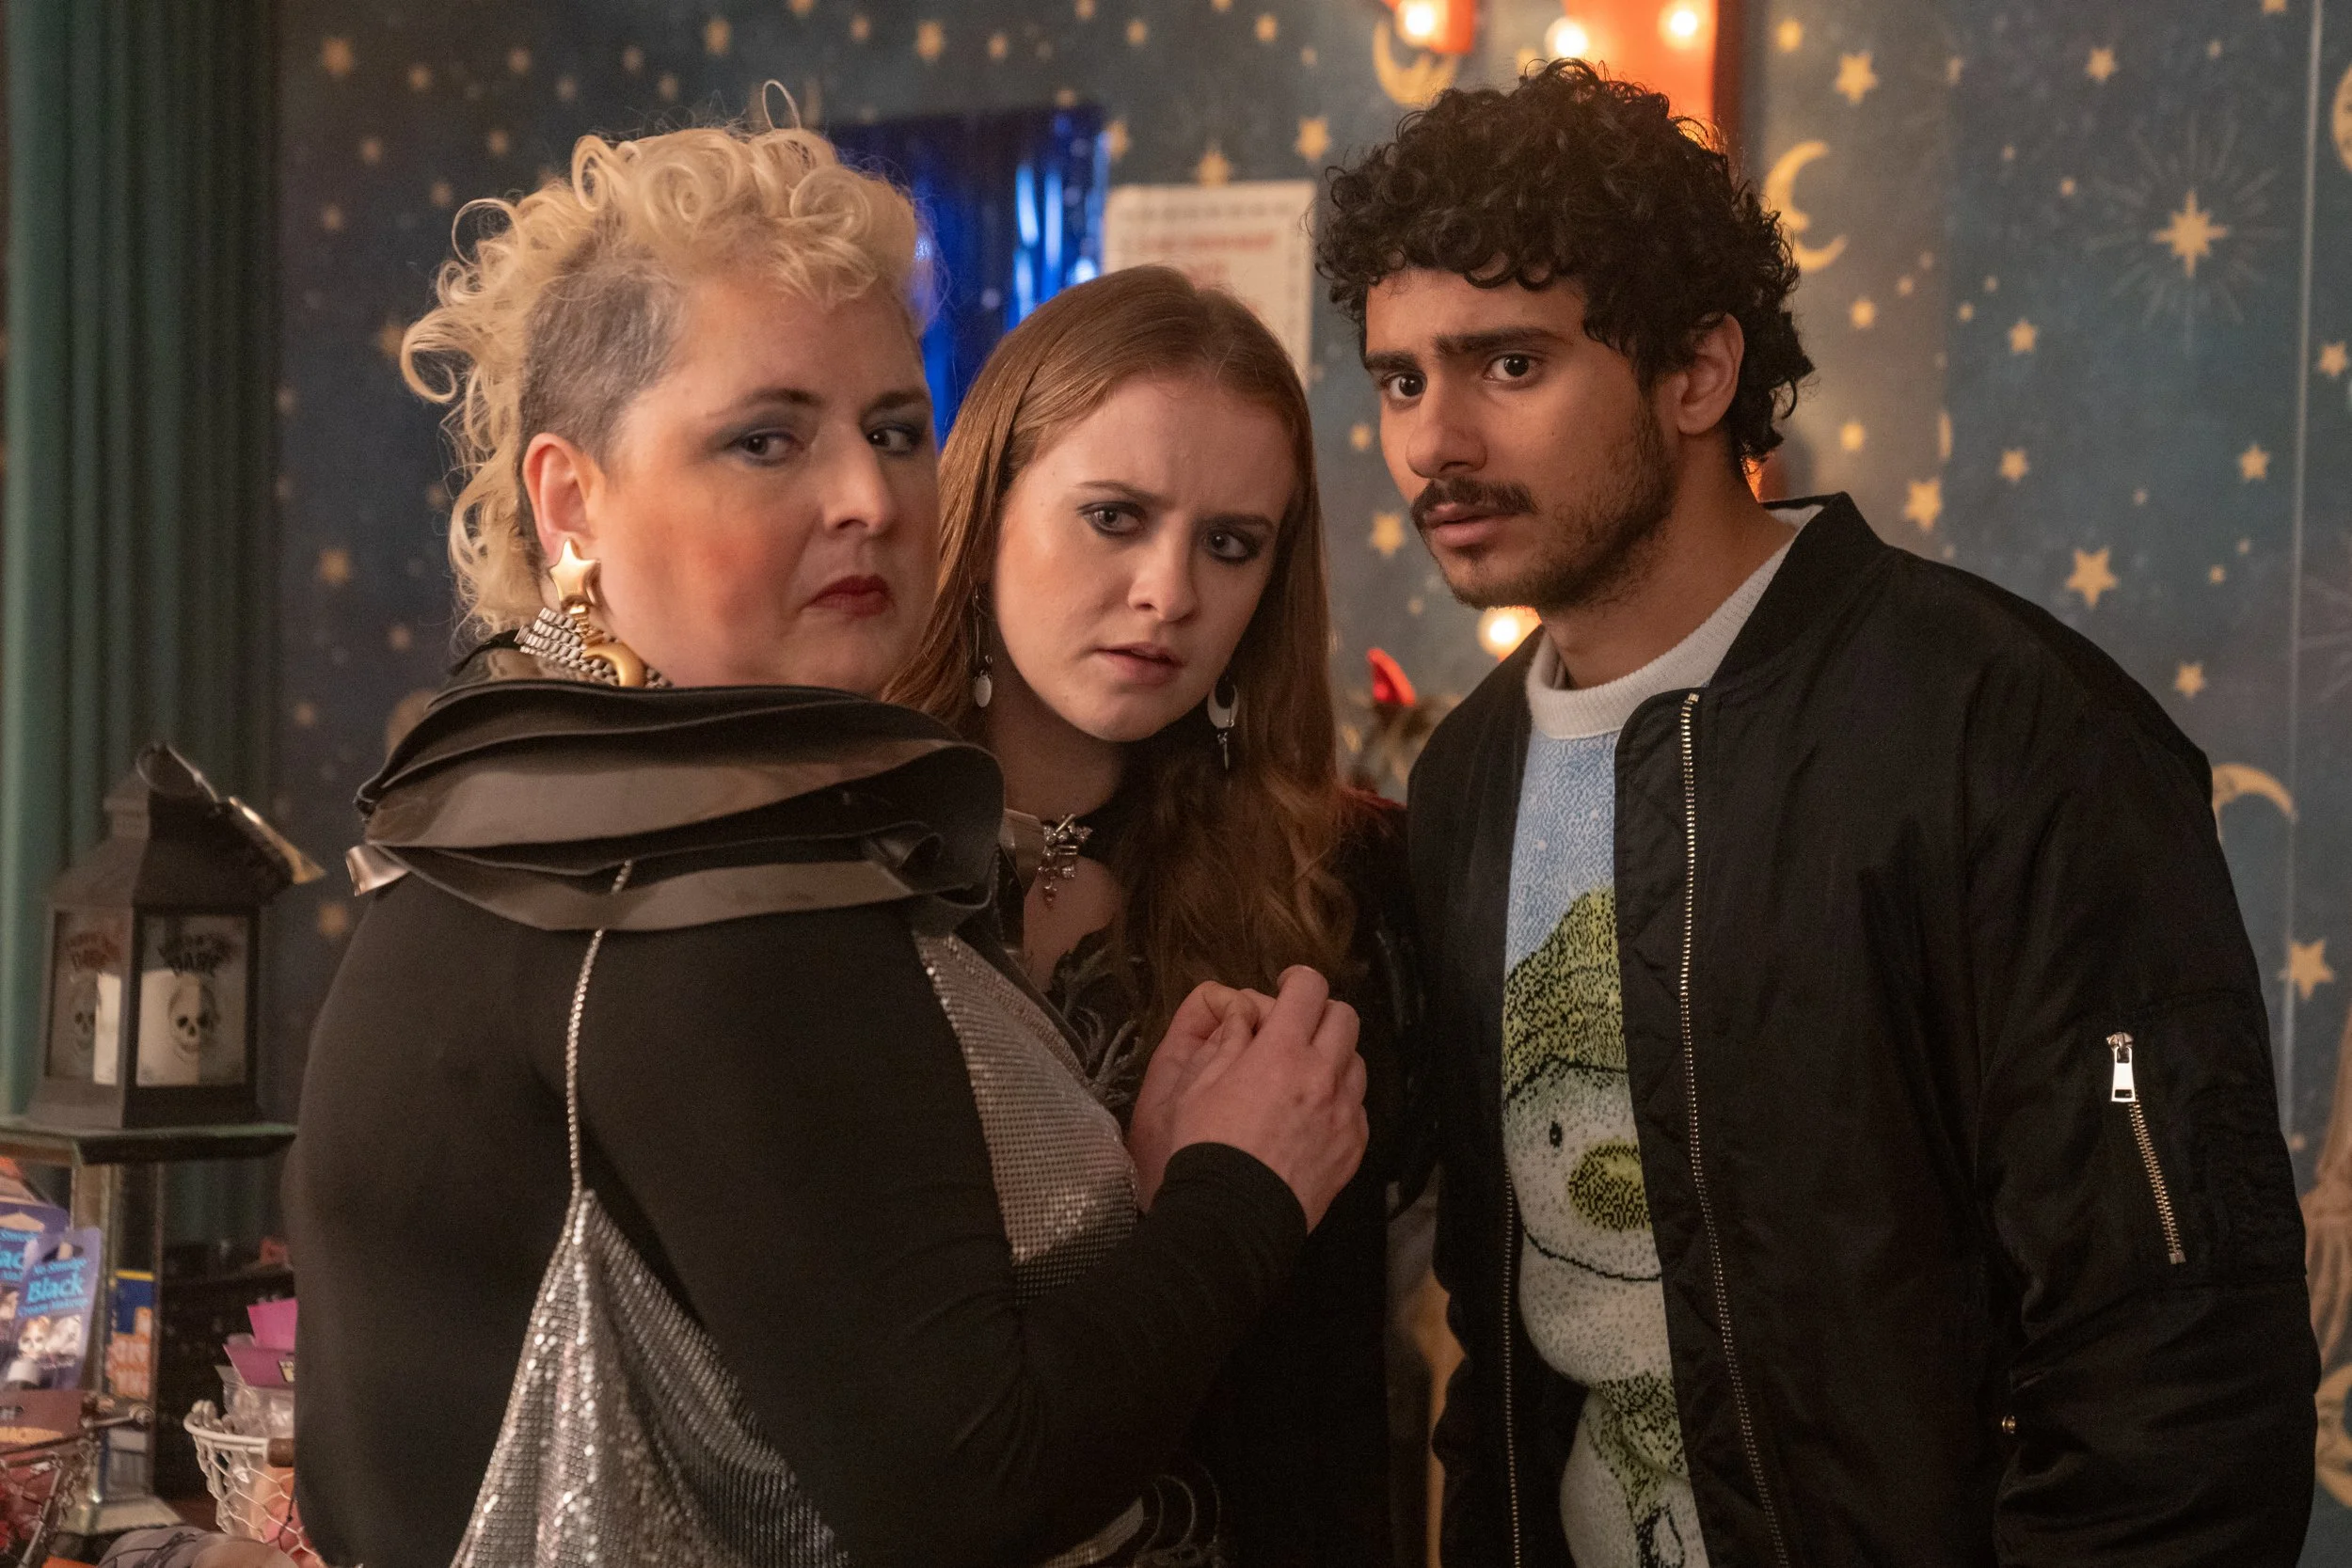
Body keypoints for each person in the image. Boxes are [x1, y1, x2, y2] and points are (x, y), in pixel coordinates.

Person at [286, 114, 1368, 1568]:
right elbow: (973, 1489)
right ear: (570, 501)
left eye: (896, 430)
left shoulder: (499, 801)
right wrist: (1236, 1191)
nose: (869, 496)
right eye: (766, 438)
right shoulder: (713, 874)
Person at [1315, 59, 2316, 1567]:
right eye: (1401, 379)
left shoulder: (2004, 733)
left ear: (1698, 371)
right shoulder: (1465, 780)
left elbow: (2176, 1369)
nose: (1431, 442)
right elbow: (1504, 1343)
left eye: (1509, 364)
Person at [889, 264, 1420, 1566]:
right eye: (1114, 517)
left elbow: (1339, 1401)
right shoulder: (840, 859)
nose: (1169, 591)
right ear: (986, 509)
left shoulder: (1340, 882)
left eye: (1231, 544)